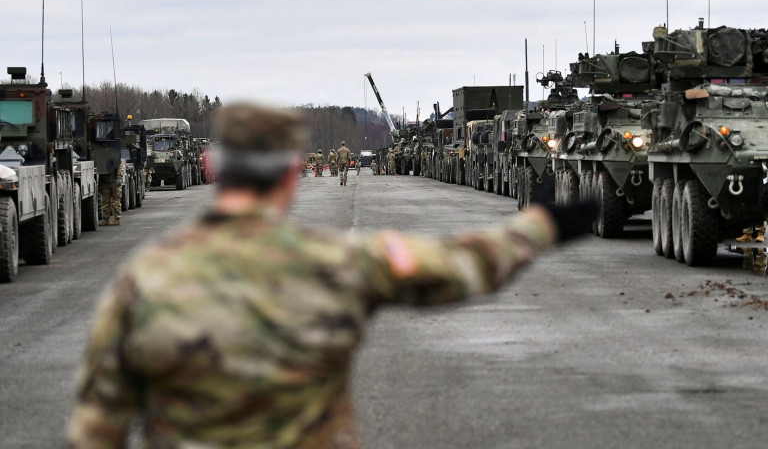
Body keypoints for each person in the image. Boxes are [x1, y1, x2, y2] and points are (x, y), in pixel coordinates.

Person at [67, 103, 595, 449]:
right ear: (295, 172)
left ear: (210, 167)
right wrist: (538, 226)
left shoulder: (143, 280)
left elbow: (97, 428)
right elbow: (461, 266)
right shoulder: (338, 263)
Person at [99, 158, 126, 226]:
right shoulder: (102, 157)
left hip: (115, 183)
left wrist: (119, 177)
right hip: (105, 182)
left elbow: (121, 166)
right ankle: (106, 219)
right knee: (105, 202)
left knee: (116, 202)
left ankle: (117, 219)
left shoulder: (116, 157)